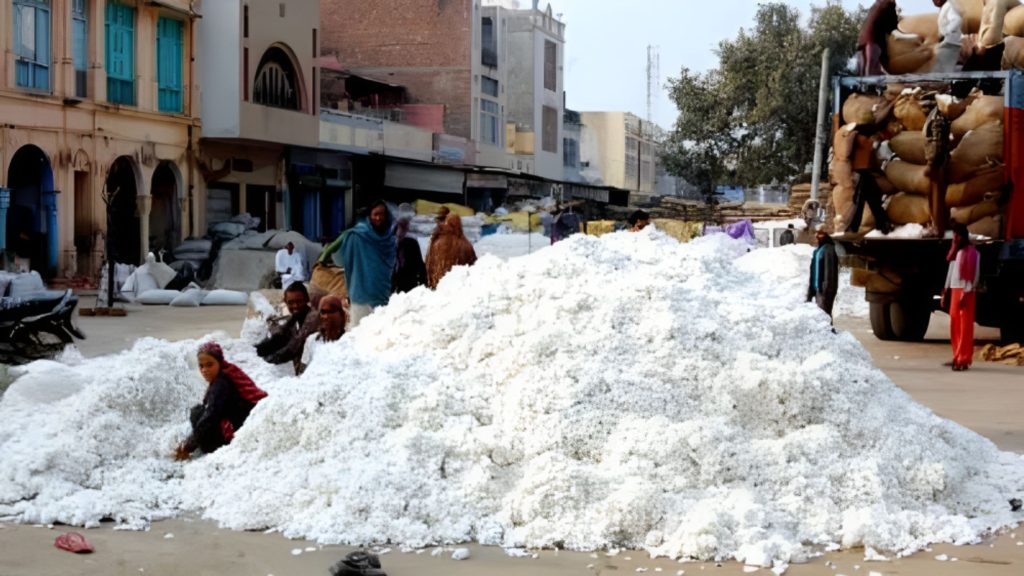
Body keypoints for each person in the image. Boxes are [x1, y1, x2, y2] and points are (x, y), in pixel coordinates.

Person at [175, 342, 267, 460]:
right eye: (201, 366)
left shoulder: (221, 384)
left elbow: (211, 416)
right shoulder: (227, 374)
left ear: (220, 362)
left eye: (209, 365)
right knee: (199, 412)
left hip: (236, 433)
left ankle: (207, 448)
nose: (204, 370)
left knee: (197, 413)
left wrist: (188, 446)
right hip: (239, 423)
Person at [318, 201, 396, 328]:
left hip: (382, 290)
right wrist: (328, 253)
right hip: (361, 291)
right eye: (375, 214)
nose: (379, 218)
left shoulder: (389, 238)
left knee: (380, 332)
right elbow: (341, 259)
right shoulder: (357, 235)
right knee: (360, 330)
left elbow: (391, 262)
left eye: (382, 214)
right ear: (369, 216)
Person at [254, 282, 320, 374]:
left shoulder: (313, 317)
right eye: (291, 302)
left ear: (307, 299)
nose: (295, 306)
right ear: (285, 302)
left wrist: (268, 361)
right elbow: (279, 336)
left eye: (299, 301)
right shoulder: (296, 317)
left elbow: (296, 345)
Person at [942, 224, 980, 371]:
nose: (955, 238)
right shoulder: (955, 252)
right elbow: (950, 273)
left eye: (957, 235)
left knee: (965, 326)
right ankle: (956, 354)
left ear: (963, 236)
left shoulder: (973, 253)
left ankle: (963, 358)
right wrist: (945, 291)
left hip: (966, 291)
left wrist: (966, 291)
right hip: (955, 289)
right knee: (955, 323)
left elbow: (974, 275)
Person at [845, 126, 892, 235]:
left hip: (866, 173)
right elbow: (871, 146)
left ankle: (882, 224)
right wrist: (879, 138)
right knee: (861, 201)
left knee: (872, 199)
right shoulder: (860, 139)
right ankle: (853, 227)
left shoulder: (858, 138)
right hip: (862, 173)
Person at [425, 212, 477, 289]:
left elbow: (429, 260)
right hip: (457, 286)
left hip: (436, 283)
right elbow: (473, 264)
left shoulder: (436, 239)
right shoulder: (465, 243)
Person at [298, 295, 345, 374]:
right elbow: (302, 371)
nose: (326, 316)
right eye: (323, 312)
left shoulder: (348, 341)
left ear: (341, 315)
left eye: (331, 312)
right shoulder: (312, 340)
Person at [857, 0, 899, 76]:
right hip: (873, 41)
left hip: (862, 41)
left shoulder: (876, 4)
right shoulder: (888, 4)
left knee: (864, 72)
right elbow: (892, 27)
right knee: (871, 71)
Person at [806, 228, 840, 320]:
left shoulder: (829, 249)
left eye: (821, 234)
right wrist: (811, 290)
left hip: (825, 288)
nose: (817, 236)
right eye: (817, 234)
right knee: (821, 313)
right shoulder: (818, 250)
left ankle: (829, 331)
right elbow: (813, 269)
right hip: (818, 288)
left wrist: (826, 288)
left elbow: (830, 270)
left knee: (825, 313)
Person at [392, 218, 426, 293]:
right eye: (399, 228)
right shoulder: (392, 243)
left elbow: (419, 263)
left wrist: (423, 283)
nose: (400, 232)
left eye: (403, 228)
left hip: (409, 280)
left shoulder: (411, 243)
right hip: (398, 280)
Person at [933, 0, 964, 73]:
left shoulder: (949, 6)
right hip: (949, 41)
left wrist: (946, 32)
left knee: (944, 67)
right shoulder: (945, 7)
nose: (933, 1)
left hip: (951, 42)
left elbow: (957, 20)